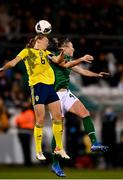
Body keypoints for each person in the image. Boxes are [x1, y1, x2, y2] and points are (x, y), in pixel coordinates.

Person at [0, 34, 70, 161]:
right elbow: (14, 62)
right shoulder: (27, 51)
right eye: (46, 41)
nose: (48, 43)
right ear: (39, 41)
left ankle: (59, 147)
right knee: (40, 119)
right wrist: (4, 68)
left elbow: (58, 61)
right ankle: (38, 151)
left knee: (58, 117)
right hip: (37, 87)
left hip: (50, 88)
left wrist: (62, 53)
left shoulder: (46, 53)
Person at [50, 38, 109, 177]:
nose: (74, 49)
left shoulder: (69, 58)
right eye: (72, 47)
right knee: (59, 131)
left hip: (66, 93)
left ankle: (94, 143)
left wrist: (97, 74)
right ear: (64, 48)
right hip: (54, 96)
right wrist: (82, 58)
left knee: (85, 113)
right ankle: (55, 163)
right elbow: (64, 64)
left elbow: (80, 70)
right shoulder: (52, 56)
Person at [15, 101, 35, 166]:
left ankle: (27, 162)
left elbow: (18, 122)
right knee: (26, 148)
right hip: (26, 132)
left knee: (25, 148)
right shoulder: (29, 113)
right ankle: (27, 162)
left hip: (23, 132)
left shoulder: (24, 113)